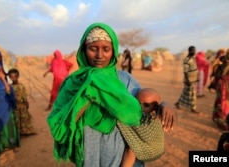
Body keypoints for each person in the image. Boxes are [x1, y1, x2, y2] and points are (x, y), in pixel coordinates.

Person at [47, 22, 175, 167]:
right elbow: (59, 124)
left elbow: (143, 109)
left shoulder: (125, 80)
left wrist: (164, 105)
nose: (99, 55)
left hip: (122, 157)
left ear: (113, 50)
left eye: (106, 49)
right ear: (84, 49)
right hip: (89, 153)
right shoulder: (74, 83)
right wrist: (89, 92)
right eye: (93, 49)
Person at [119, 88, 164, 167]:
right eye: (137, 103)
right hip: (142, 143)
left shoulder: (154, 117)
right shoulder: (136, 113)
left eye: (146, 105)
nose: (140, 107)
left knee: (131, 150)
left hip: (153, 148)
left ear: (155, 109)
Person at [8, 68, 36, 135]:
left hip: (22, 105)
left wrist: (26, 103)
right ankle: (18, 132)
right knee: (17, 119)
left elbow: (24, 95)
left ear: (18, 76)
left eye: (15, 76)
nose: (14, 78)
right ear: (9, 77)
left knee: (24, 118)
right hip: (15, 106)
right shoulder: (10, 87)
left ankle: (26, 131)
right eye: (12, 77)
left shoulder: (22, 86)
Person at [175, 46, 199, 114]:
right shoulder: (187, 60)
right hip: (189, 80)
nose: (194, 52)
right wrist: (188, 80)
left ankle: (178, 103)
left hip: (193, 79)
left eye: (194, 50)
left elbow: (194, 69)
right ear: (190, 51)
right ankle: (193, 108)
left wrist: (197, 78)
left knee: (185, 93)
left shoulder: (193, 59)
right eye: (193, 50)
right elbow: (185, 72)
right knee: (192, 94)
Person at [213, 48, 229, 130]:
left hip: (222, 88)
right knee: (223, 105)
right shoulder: (226, 65)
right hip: (225, 90)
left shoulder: (223, 63)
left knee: (220, 103)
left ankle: (219, 119)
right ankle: (223, 122)